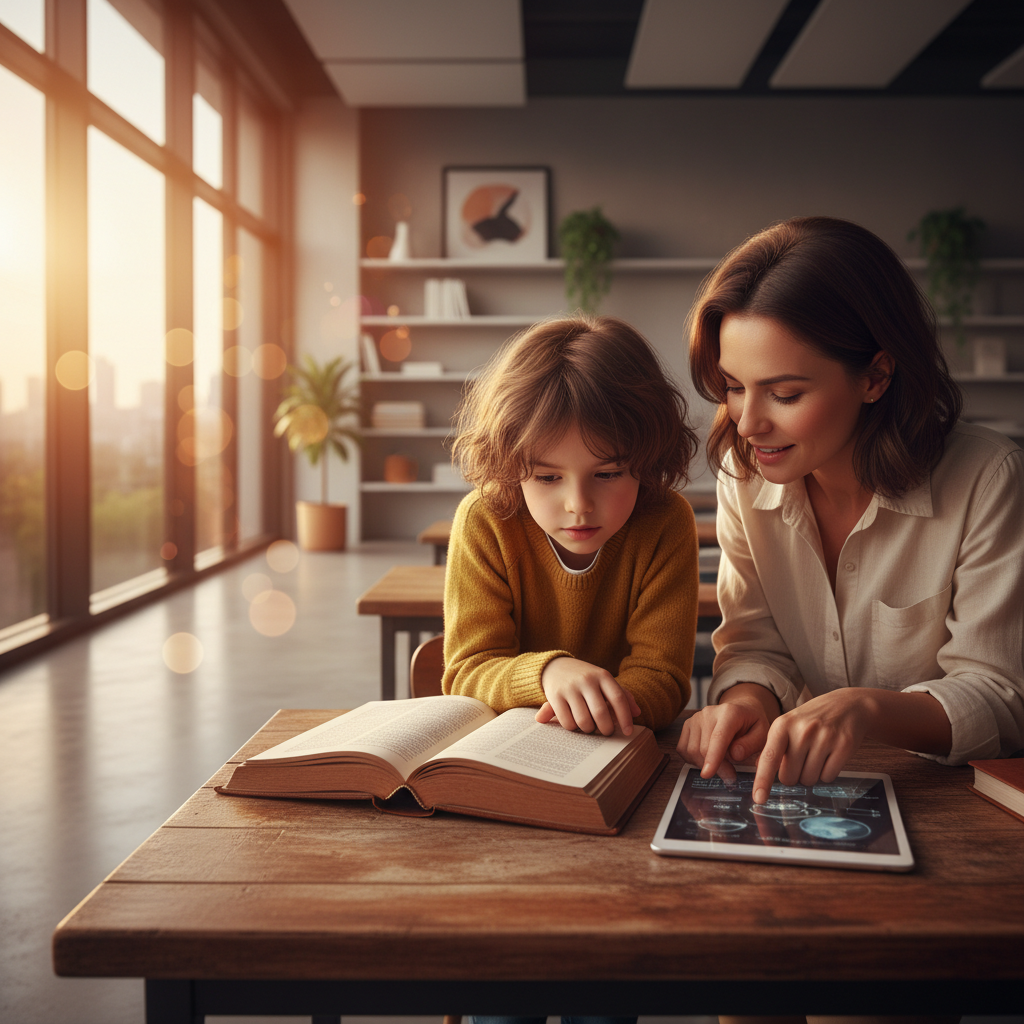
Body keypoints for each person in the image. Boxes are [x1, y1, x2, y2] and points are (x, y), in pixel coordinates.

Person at [678, 216, 1024, 814]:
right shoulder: (747, 473)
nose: (748, 421)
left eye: (785, 394)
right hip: (808, 795)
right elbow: (758, 645)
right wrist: (746, 703)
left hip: (958, 809)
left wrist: (866, 708)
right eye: (734, 386)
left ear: (876, 376)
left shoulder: (989, 480)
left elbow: (1002, 699)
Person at [444, 313, 699, 741]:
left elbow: (663, 678)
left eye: (608, 473)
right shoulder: (484, 522)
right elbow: (467, 672)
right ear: (510, 467)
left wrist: (601, 706)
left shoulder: (666, 523)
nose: (578, 505)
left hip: (613, 745)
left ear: (647, 459)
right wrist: (548, 673)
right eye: (547, 478)